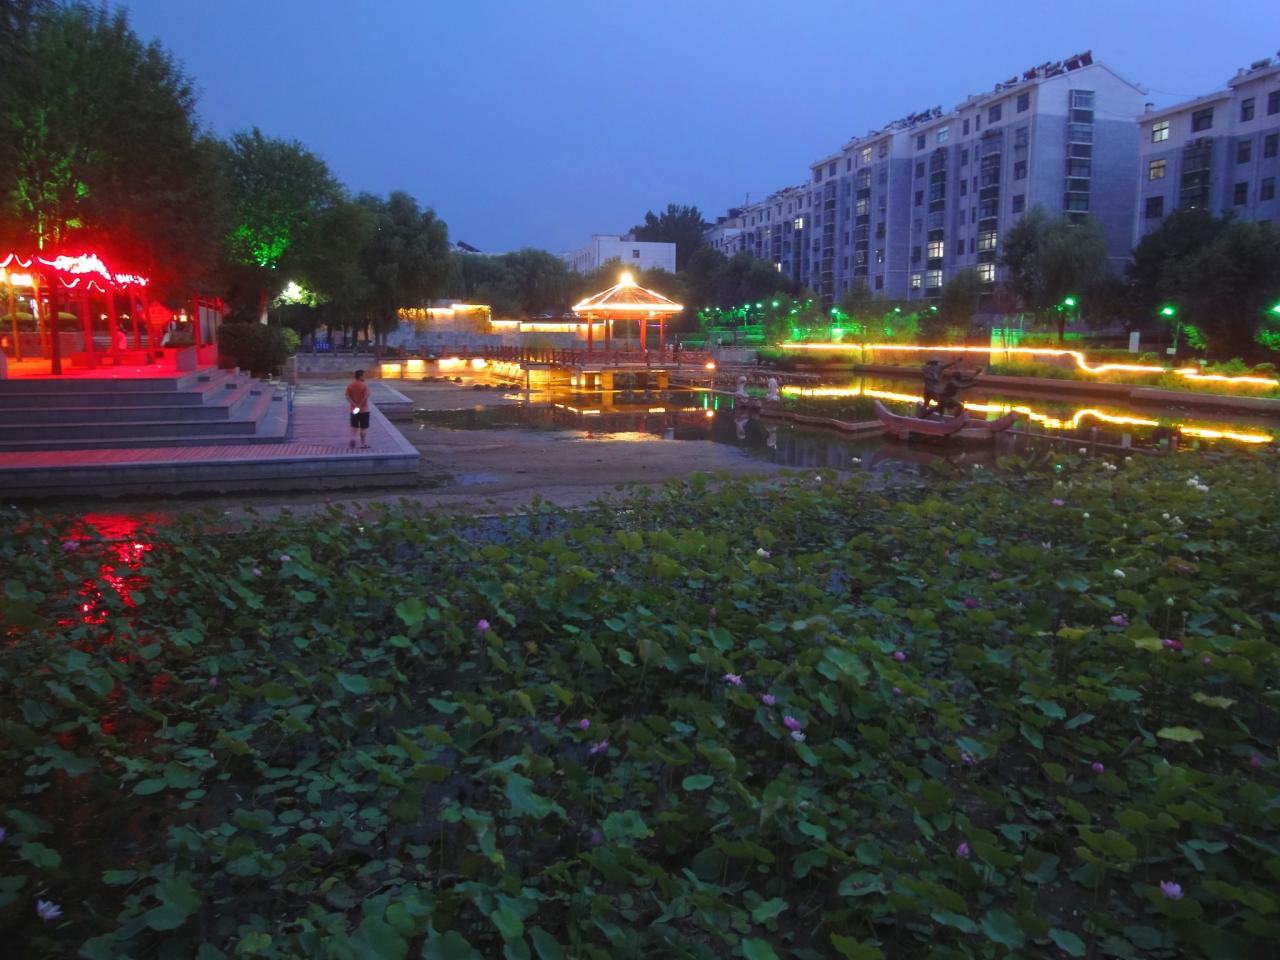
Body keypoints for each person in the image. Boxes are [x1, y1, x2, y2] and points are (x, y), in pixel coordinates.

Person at [345, 369, 371, 449]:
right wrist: (359, 405)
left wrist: (354, 404)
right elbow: (366, 397)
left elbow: (347, 396)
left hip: (354, 409)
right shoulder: (365, 386)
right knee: (363, 427)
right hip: (364, 410)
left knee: (354, 425)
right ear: (360, 376)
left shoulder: (350, 385)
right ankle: (362, 444)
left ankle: (353, 438)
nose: (365, 377)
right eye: (364, 376)